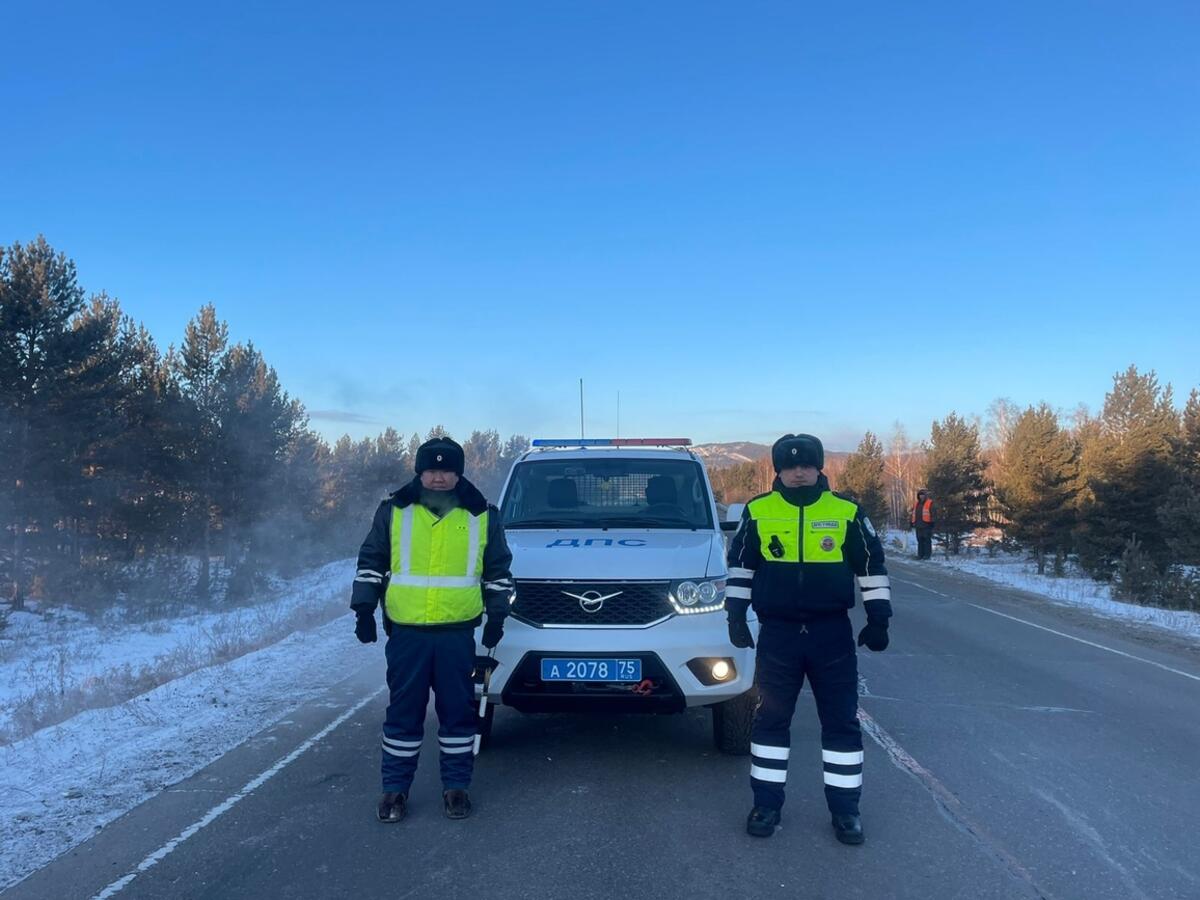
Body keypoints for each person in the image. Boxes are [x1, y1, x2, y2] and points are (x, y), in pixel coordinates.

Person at [726, 433, 892, 844]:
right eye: (789, 465)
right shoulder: (759, 510)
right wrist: (734, 615)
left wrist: (879, 618)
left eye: (806, 465)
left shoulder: (846, 511)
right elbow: (741, 565)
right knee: (769, 722)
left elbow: (870, 564)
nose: (798, 472)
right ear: (777, 469)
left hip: (830, 635)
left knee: (840, 725)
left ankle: (846, 812)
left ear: (820, 468)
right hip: (779, 636)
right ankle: (765, 805)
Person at [351, 436, 513, 822]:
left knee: (458, 714)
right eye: (431, 469)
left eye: (447, 470)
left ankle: (456, 789)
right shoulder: (394, 510)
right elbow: (372, 559)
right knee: (403, 714)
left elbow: (498, 572)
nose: (438, 477)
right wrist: (363, 609)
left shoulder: (483, 515)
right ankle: (394, 792)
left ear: (458, 473)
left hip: (457, 634)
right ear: (419, 471)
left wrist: (496, 619)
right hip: (407, 634)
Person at [910, 489, 935, 560]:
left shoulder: (930, 503)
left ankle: (927, 555)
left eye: (923, 495)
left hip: (926, 525)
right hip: (918, 525)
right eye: (920, 495)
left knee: (927, 540)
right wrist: (911, 522)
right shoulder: (916, 504)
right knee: (920, 541)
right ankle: (920, 555)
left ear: (925, 495)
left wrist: (932, 522)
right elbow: (913, 514)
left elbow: (933, 513)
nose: (921, 496)